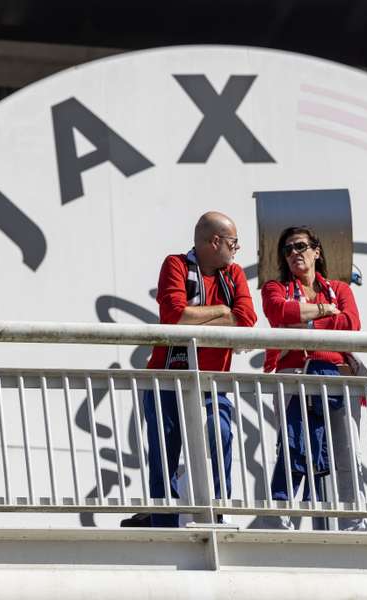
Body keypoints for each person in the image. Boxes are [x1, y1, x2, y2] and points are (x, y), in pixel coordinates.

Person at [143, 211, 257, 527]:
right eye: (234, 242)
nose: (237, 249)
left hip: (210, 383)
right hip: (167, 379)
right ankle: (162, 525)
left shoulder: (233, 275)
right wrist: (223, 311)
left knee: (220, 432)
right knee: (164, 454)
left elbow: (247, 318)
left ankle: (217, 515)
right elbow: (173, 316)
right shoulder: (176, 265)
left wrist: (198, 317)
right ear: (215, 241)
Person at [261, 225, 367, 531]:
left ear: (316, 251)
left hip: (336, 376)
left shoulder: (340, 288)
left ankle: (354, 522)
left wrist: (305, 319)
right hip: (295, 376)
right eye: (287, 249)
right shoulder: (275, 288)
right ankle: (281, 519)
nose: (294, 253)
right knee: (293, 447)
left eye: (300, 246)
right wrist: (325, 310)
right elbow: (278, 312)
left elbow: (351, 323)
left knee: (347, 450)